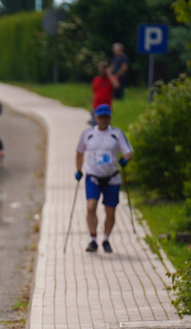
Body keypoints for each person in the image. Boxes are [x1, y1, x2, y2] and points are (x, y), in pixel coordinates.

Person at [75, 104, 133, 253]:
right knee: (91, 207)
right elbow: (79, 152)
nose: (104, 120)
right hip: (93, 177)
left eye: (106, 116)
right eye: (101, 117)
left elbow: (128, 152)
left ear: (110, 117)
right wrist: (78, 170)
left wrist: (125, 160)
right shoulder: (87, 134)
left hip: (112, 178)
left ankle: (106, 239)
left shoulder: (117, 134)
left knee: (110, 212)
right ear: (95, 118)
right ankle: (93, 239)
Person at [90, 61, 119, 125]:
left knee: (105, 126)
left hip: (106, 108)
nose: (102, 70)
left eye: (104, 68)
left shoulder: (111, 78)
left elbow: (116, 85)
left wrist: (109, 74)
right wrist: (91, 106)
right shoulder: (96, 79)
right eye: (101, 68)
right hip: (96, 107)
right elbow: (93, 93)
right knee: (94, 127)